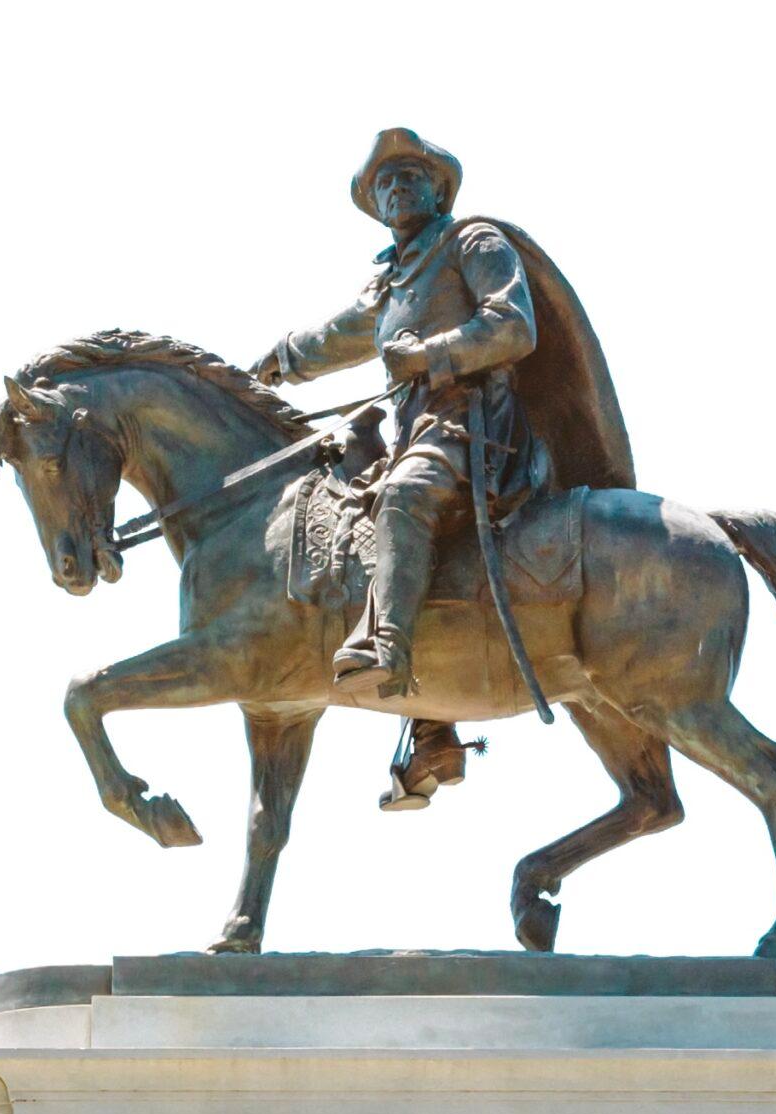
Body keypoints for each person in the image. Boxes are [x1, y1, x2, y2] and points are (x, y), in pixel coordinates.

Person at [252, 127, 634, 806]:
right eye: (383, 183)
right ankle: (433, 729)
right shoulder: (393, 279)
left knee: (403, 498)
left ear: (437, 188)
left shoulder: (474, 243)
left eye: (407, 175)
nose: (395, 187)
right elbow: (342, 333)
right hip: (417, 433)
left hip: (478, 432)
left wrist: (428, 357)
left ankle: (389, 650)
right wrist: (284, 356)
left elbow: (515, 326)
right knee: (350, 522)